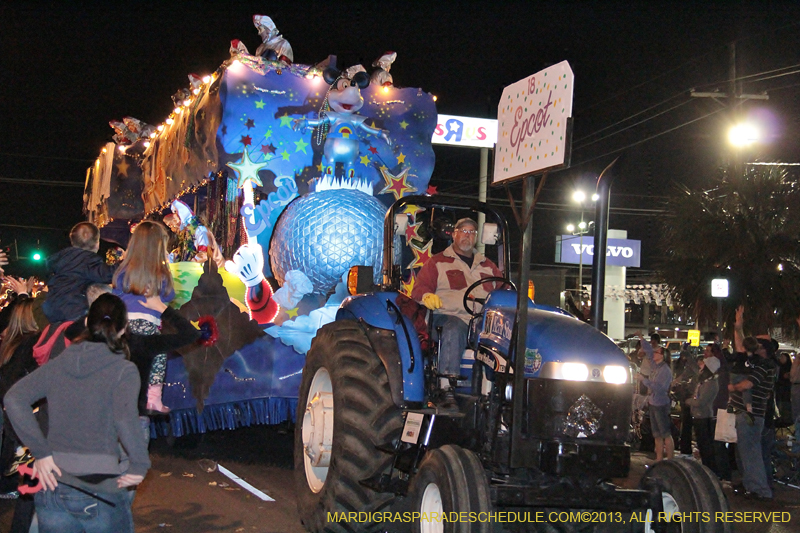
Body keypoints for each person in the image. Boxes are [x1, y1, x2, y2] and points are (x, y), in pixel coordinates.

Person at [5, 293, 150, 532]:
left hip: (52, 484)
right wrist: (139, 465)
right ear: (124, 329)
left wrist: (41, 453)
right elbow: (125, 420)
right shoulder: (123, 371)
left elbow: (14, 399)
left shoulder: (59, 364)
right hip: (99, 485)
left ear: (86, 323)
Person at [411, 217, 502, 409]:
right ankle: (446, 387)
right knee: (454, 327)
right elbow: (418, 290)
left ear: (476, 237)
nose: (467, 236)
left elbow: (504, 292)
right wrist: (427, 296)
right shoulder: (437, 262)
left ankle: (501, 390)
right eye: (463, 231)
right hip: (446, 318)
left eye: (471, 232)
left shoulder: (488, 265)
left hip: (480, 323)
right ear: (454, 234)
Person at [112, 221, 175, 414]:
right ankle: (153, 398)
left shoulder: (123, 271)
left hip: (125, 326)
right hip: (149, 325)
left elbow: (116, 294)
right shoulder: (161, 274)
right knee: (157, 357)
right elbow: (168, 296)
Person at [727, 305, 775, 500]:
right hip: (748, 414)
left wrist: (734, 388)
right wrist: (738, 327)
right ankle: (752, 486)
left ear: (763, 349)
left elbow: (748, 384)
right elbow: (741, 348)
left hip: (752, 414)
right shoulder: (757, 362)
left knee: (752, 452)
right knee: (747, 452)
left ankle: (760, 490)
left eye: (758, 345)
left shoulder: (765, 366)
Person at [41, 222, 117, 323]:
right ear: (97, 243)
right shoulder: (87, 261)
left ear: (72, 242)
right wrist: (127, 262)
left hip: (53, 309)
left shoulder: (62, 260)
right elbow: (106, 274)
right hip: (73, 309)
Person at [635, 331, 674, 461]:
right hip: (653, 402)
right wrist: (641, 338)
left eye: (658, 352)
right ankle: (659, 459)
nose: (654, 353)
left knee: (665, 433)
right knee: (657, 433)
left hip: (661, 403)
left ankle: (669, 459)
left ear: (663, 356)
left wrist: (643, 380)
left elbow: (660, 388)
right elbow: (648, 351)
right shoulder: (656, 367)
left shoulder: (665, 370)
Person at [685, 353, 720, 475]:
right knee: (702, 445)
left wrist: (689, 401)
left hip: (703, 416)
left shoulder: (710, 384)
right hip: (699, 415)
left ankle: (710, 471)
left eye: (703, 365)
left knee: (706, 447)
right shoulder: (705, 381)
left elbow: (701, 401)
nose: (701, 367)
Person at [672, 348, 699, 455]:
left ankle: (686, 448)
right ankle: (685, 447)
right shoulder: (686, 366)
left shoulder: (691, 367)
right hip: (686, 397)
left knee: (687, 424)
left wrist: (676, 382)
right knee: (685, 424)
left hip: (689, 397)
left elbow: (685, 375)